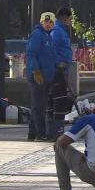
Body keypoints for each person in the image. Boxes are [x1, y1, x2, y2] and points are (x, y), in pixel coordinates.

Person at [25, 12, 58, 141]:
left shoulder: (47, 36)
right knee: (39, 106)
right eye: (46, 21)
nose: (48, 24)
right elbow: (31, 53)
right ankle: (40, 134)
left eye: (51, 22)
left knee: (39, 105)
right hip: (38, 76)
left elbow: (50, 56)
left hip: (46, 76)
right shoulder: (38, 35)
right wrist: (36, 71)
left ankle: (32, 133)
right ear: (41, 22)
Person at [49, 7, 77, 136]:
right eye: (69, 18)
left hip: (62, 69)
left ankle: (55, 129)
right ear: (64, 17)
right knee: (59, 99)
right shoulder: (57, 31)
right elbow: (52, 48)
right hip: (58, 70)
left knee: (60, 98)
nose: (70, 21)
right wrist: (57, 63)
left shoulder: (60, 30)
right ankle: (56, 130)